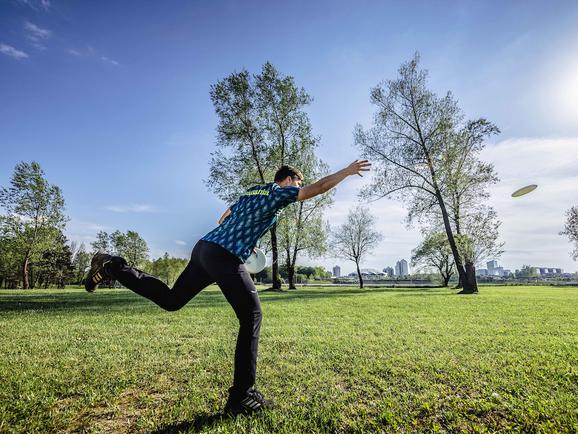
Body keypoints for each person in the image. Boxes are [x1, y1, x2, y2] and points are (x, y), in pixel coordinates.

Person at [84, 160, 371, 416]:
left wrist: (248, 238)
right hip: (223, 255)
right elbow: (317, 188)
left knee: (172, 300)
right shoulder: (276, 192)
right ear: (286, 180)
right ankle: (242, 397)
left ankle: (114, 267)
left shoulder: (252, 191)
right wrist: (345, 172)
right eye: (296, 181)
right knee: (252, 315)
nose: (298, 186)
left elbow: (225, 217)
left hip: (204, 249)